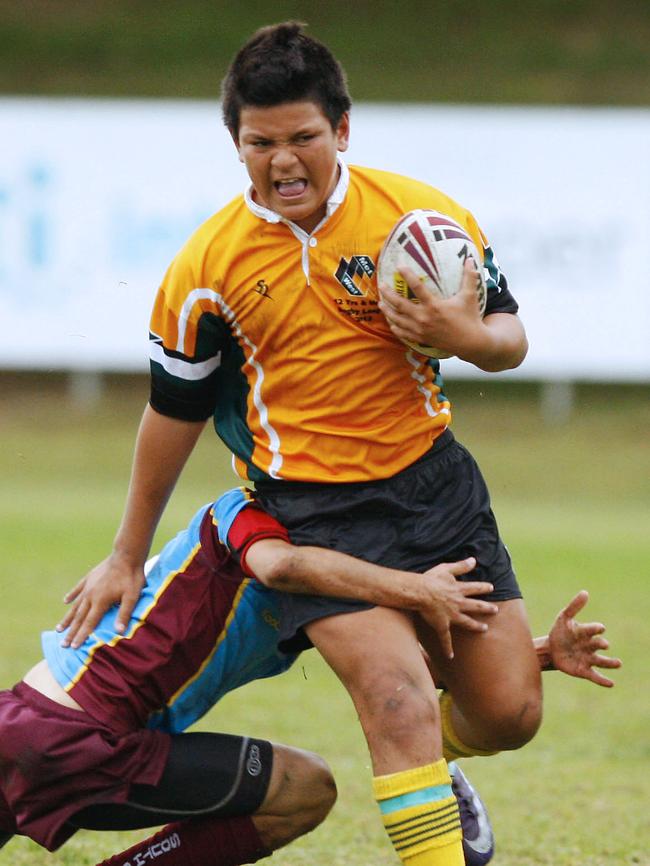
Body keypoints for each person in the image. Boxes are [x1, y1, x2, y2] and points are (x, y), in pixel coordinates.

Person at [57, 21, 606, 866]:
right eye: (260, 142)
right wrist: (126, 554)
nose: (283, 161)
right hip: (310, 512)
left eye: (304, 137)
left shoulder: (417, 221)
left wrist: (465, 332)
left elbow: (510, 338)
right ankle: (420, 773)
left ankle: (438, 765)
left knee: (510, 714)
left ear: (342, 130)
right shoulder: (207, 266)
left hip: (435, 491)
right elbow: (173, 412)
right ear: (235, 144)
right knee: (395, 699)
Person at [2, 493, 620, 864]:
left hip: (27, 718)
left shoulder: (328, 551)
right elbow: (282, 564)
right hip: (80, 736)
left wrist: (532, 656)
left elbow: (386, 671)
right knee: (304, 789)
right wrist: (416, 588)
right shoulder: (254, 518)